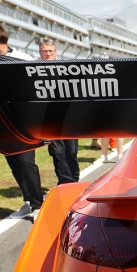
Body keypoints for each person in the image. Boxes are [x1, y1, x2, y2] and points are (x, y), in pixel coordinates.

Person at [0, 25, 44, 219]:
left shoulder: (24, 59)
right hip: (1, 120)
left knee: (26, 162)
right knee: (14, 162)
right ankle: (28, 200)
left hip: (23, 121)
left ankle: (37, 204)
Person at [38, 39, 80, 184]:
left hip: (69, 118)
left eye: (50, 51)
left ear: (56, 53)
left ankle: (74, 178)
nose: (48, 54)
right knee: (57, 152)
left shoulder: (66, 69)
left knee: (72, 151)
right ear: (40, 53)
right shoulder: (34, 71)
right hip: (49, 119)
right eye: (45, 51)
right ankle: (65, 181)